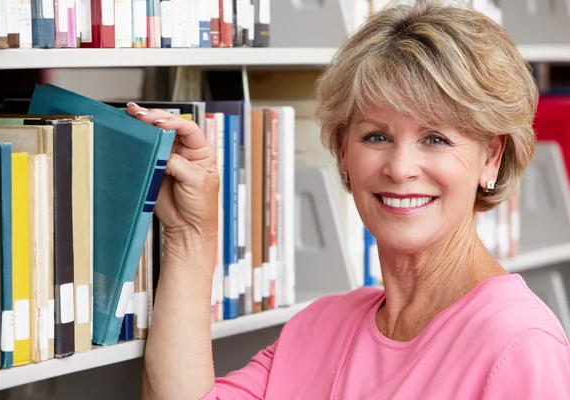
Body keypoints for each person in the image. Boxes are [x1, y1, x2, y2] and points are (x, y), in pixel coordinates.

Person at [129, 1, 570, 399]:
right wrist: (191, 234)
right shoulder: (321, 327)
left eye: (436, 138)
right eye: (376, 135)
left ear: (491, 157)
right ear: (343, 150)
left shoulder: (520, 346)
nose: (399, 168)